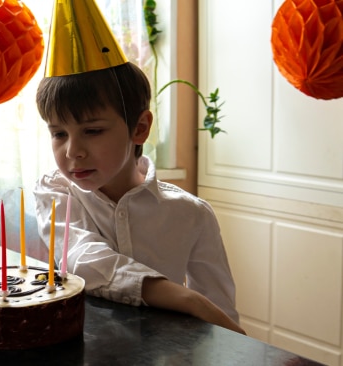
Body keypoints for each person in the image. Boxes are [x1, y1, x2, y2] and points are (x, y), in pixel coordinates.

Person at [32, 60, 245, 335]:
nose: (73, 151)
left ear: (140, 127)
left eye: (93, 130)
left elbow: (219, 315)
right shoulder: (56, 192)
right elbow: (81, 258)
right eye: (59, 133)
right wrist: (184, 297)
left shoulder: (192, 214)